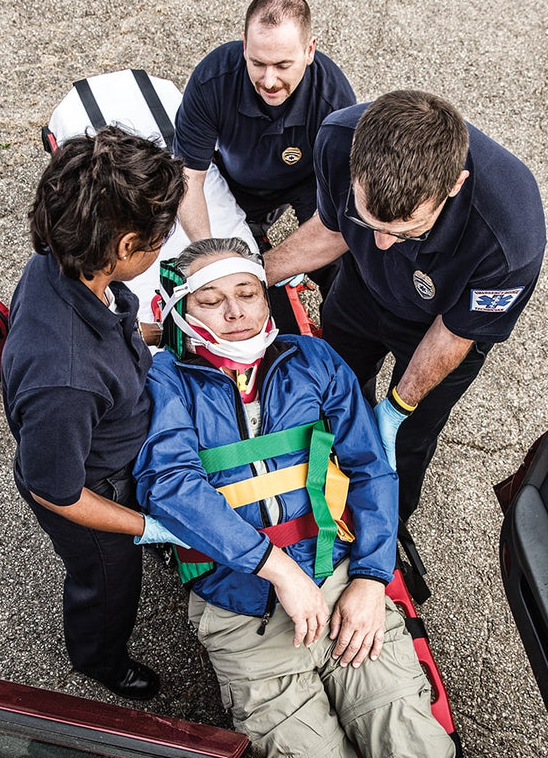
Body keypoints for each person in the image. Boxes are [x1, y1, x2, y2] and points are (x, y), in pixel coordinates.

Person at [134, 238, 454, 758]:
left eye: (248, 293)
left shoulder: (314, 360)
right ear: (177, 309)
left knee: (411, 741)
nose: (235, 312)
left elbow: (369, 469)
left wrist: (373, 580)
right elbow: (169, 486)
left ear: (267, 297)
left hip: (339, 576)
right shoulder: (163, 380)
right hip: (240, 603)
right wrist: (278, 570)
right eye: (211, 301)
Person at [264, 90, 546, 521]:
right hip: (361, 290)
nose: (380, 243)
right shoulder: (338, 140)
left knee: (407, 440)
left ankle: (387, 527)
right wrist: (248, 275)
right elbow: (330, 230)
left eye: (406, 231)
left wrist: (397, 407)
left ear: (453, 185)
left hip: (440, 328)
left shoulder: (510, 237)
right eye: (369, 221)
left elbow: (456, 332)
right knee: (333, 391)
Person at [1, 126, 186, 700]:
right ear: (126, 247)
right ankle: (100, 658)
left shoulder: (58, 261)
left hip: (112, 451)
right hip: (94, 490)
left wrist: (160, 333)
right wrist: (146, 526)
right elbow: (55, 490)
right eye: (160, 239)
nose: (164, 246)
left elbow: (113, 331)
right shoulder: (66, 380)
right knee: (108, 585)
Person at [172, 0, 355, 300]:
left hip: (310, 180)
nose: (269, 81)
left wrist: (271, 266)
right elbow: (189, 178)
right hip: (237, 174)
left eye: (283, 65)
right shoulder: (210, 81)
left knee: (341, 267)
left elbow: (342, 218)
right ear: (244, 47)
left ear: (309, 51)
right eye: (258, 63)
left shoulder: (335, 104)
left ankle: (337, 335)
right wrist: (208, 257)